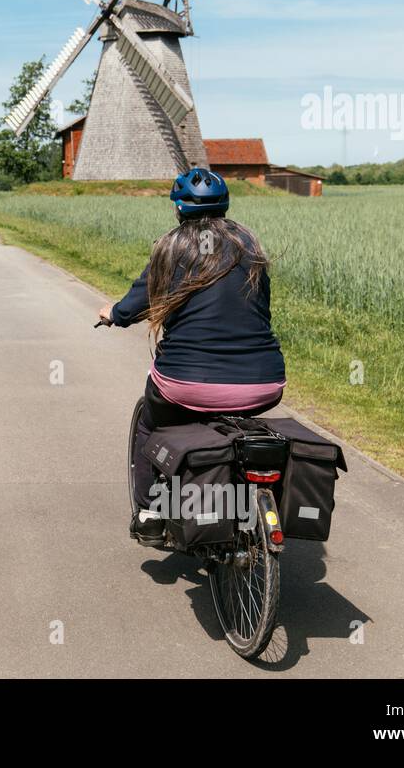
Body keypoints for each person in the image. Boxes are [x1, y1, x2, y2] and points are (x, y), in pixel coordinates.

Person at [97, 167, 286, 546]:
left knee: (151, 426)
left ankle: (150, 511)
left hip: (186, 383)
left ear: (178, 209)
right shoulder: (250, 246)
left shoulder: (171, 248)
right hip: (265, 382)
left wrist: (113, 315)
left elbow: (137, 305)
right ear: (225, 206)